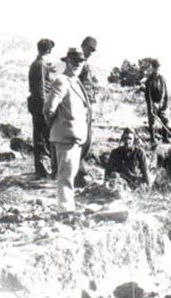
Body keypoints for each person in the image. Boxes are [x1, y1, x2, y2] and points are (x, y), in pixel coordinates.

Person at [43, 48, 91, 214]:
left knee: (70, 174)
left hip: (76, 137)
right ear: (67, 62)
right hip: (66, 136)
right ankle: (64, 210)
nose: (77, 65)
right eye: (74, 61)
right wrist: (59, 126)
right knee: (65, 175)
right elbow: (48, 109)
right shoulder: (62, 81)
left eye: (80, 62)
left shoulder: (75, 81)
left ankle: (68, 207)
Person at [27, 38, 55, 179]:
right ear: (49, 50)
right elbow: (41, 88)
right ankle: (42, 171)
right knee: (43, 138)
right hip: (40, 105)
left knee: (40, 137)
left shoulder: (37, 64)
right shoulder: (41, 65)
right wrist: (46, 108)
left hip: (36, 104)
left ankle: (41, 170)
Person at [74, 36, 99, 188]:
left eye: (92, 51)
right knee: (82, 139)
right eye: (88, 49)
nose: (90, 53)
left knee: (86, 139)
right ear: (83, 46)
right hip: (81, 106)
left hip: (87, 105)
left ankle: (79, 170)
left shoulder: (85, 64)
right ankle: (77, 172)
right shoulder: (78, 64)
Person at [144, 59, 169, 145]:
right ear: (152, 68)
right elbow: (148, 96)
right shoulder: (149, 81)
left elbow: (166, 92)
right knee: (152, 122)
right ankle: (153, 139)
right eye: (155, 68)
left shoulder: (162, 79)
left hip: (161, 104)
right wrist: (151, 107)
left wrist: (165, 104)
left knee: (165, 120)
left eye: (158, 68)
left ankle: (165, 138)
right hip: (153, 104)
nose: (157, 70)